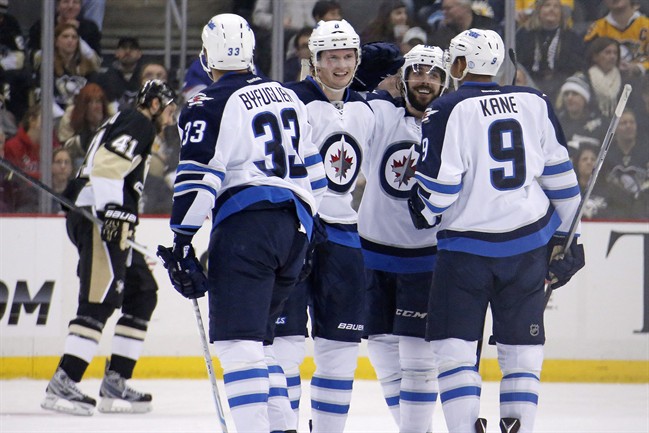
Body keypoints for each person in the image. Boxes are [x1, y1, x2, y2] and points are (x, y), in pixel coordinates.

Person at [408, 28, 586, 433]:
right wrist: (570, 238)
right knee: (521, 350)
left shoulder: (447, 108)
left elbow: (439, 191)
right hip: (527, 249)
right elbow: (561, 178)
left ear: (458, 65)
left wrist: (419, 208)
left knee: (454, 352)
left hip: (466, 255)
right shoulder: (533, 101)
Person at [156, 13, 325, 433]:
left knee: (237, 347)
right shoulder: (287, 96)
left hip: (247, 230)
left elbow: (198, 179)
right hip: (295, 229)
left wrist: (180, 242)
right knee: (260, 346)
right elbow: (316, 176)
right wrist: (308, 233)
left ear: (206, 58)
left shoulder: (206, 102)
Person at [40, 79, 177, 416]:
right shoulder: (139, 122)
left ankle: (116, 379)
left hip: (110, 218)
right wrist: (114, 211)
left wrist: (119, 215)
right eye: (170, 110)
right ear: (155, 104)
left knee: (142, 292)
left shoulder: (130, 122)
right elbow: (106, 166)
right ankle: (64, 380)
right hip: (101, 218)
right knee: (99, 300)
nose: (171, 120)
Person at [275, 19, 375, 433]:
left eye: (348, 56)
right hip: (297, 234)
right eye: (331, 57)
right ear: (314, 61)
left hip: (345, 237)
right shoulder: (290, 102)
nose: (340, 65)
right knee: (285, 346)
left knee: (340, 349)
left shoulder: (365, 109)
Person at [359, 44, 447, 433]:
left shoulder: (452, 123)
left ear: (445, 81)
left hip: (426, 258)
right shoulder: (380, 113)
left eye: (434, 73)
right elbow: (343, 101)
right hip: (372, 254)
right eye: (418, 71)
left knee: (418, 361)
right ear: (403, 77)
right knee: (381, 353)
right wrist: (378, 82)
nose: (425, 79)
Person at [515, 0, 585, 104]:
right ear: (538, 10)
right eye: (547, 5)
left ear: (561, 13)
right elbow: (517, 63)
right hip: (529, 85)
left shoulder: (571, 37)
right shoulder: (524, 34)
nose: (552, 9)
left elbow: (576, 66)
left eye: (556, 7)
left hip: (561, 86)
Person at [583, 0, 649, 80]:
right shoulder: (596, 29)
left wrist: (639, 68)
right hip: (606, 82)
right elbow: (588, 60)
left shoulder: (646, 25)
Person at [603, 108, 648, 219]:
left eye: (632, 122)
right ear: (615, 128)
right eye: (624, 123)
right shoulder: (607, 154)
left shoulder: (646, 151)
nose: (629, 126)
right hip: (614, 207)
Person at [58, 82, 111, 171]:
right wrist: (89, 131)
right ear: (83, 105)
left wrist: (98, 125)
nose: (96, 107)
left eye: (98, 101)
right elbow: (67, 147)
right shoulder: (70, 117)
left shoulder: (109, 120)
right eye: (91, 102)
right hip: (76, 161)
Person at [555, 73, 607, 155]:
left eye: (575, 94)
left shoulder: (600, 124)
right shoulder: (557, 123)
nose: (569, 98)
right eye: (566, 94)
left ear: (585, 98)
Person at [94, 37, 144, 113]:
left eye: (132, 48)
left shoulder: (145, 77)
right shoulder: (104, 79)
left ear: (139, 54)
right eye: (123, 48)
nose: (127, 51)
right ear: (116, 53)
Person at [428, 0, 502, 50]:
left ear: (464, 8)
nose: (444, 12)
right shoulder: (442, 30)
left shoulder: (488, 27)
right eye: (443, 9)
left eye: (448, 8)